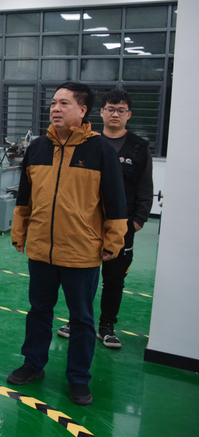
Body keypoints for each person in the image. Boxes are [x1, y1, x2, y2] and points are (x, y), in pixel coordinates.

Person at [7, 82, 127, 406]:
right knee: (39, 312)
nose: (55, 109)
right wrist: (20, 231)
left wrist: (113, 241)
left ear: (82, 110)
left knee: (82, 319)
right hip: (41, 249)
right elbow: (24, 196)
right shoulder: (37, 148)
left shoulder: (100, 150)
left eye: (64, 103)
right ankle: (33, 364)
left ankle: (78, 378)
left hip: (81, 252)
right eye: (53, 103)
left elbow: (115, 201)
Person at [57, 88, 153, 349]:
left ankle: (107, 326)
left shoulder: (139, 148)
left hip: (123, 225)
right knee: (82, 276)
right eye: (110, 109)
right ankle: (77, 321)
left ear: (129, 115)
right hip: (86, 224)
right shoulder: (87, 142)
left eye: (121, 110)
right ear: (101, 112)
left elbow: (145, 187)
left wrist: (137, 221)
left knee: (114, 277)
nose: (115, 114)